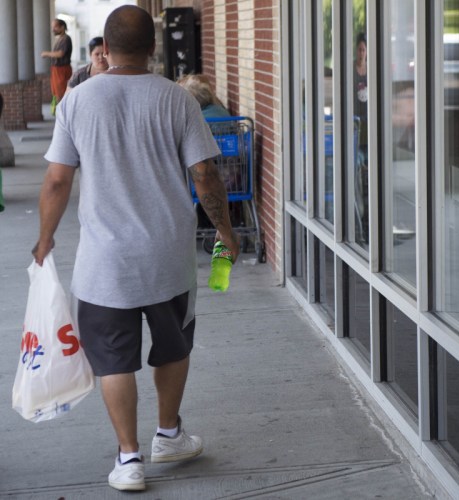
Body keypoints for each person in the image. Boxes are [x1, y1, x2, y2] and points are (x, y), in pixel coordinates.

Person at [33, 5, 239, 491]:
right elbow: (206, 174)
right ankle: (168, 434)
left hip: (104, 264)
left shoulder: (78, 101)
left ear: (104, 48)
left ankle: (129, 460)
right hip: (167, 258)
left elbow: (57, 180)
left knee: (113, 360)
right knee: (172, 347)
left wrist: (45, 240)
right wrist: (226, 233)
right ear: (153, 48)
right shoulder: (178, 100)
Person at [353, 33, 368, 243]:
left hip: (370, 126)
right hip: (356, 126)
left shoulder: (372, 69)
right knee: (358, 167)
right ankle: (361, 216)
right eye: (359, 49)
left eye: (364, 50)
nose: (362, 53)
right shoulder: (351, 70)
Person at [41, 19, 73, 113]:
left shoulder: (66, 39)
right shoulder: (60, 39)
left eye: (55, 27)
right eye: (53, 27)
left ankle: (63, 114)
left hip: (62, 70)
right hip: (57, 70)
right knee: (56, 93)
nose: (53, 29)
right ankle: (61, 113)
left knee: (62, 93)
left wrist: (46, 54)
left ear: (62, 27)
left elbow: (60, 54)